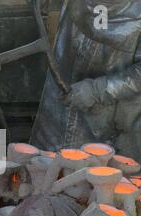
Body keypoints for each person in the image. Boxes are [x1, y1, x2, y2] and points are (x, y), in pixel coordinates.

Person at [30, 0, 141, 162]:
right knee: (43, 171)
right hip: (56, 114)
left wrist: (97, 90)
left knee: (97, 179)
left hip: (109, 125)